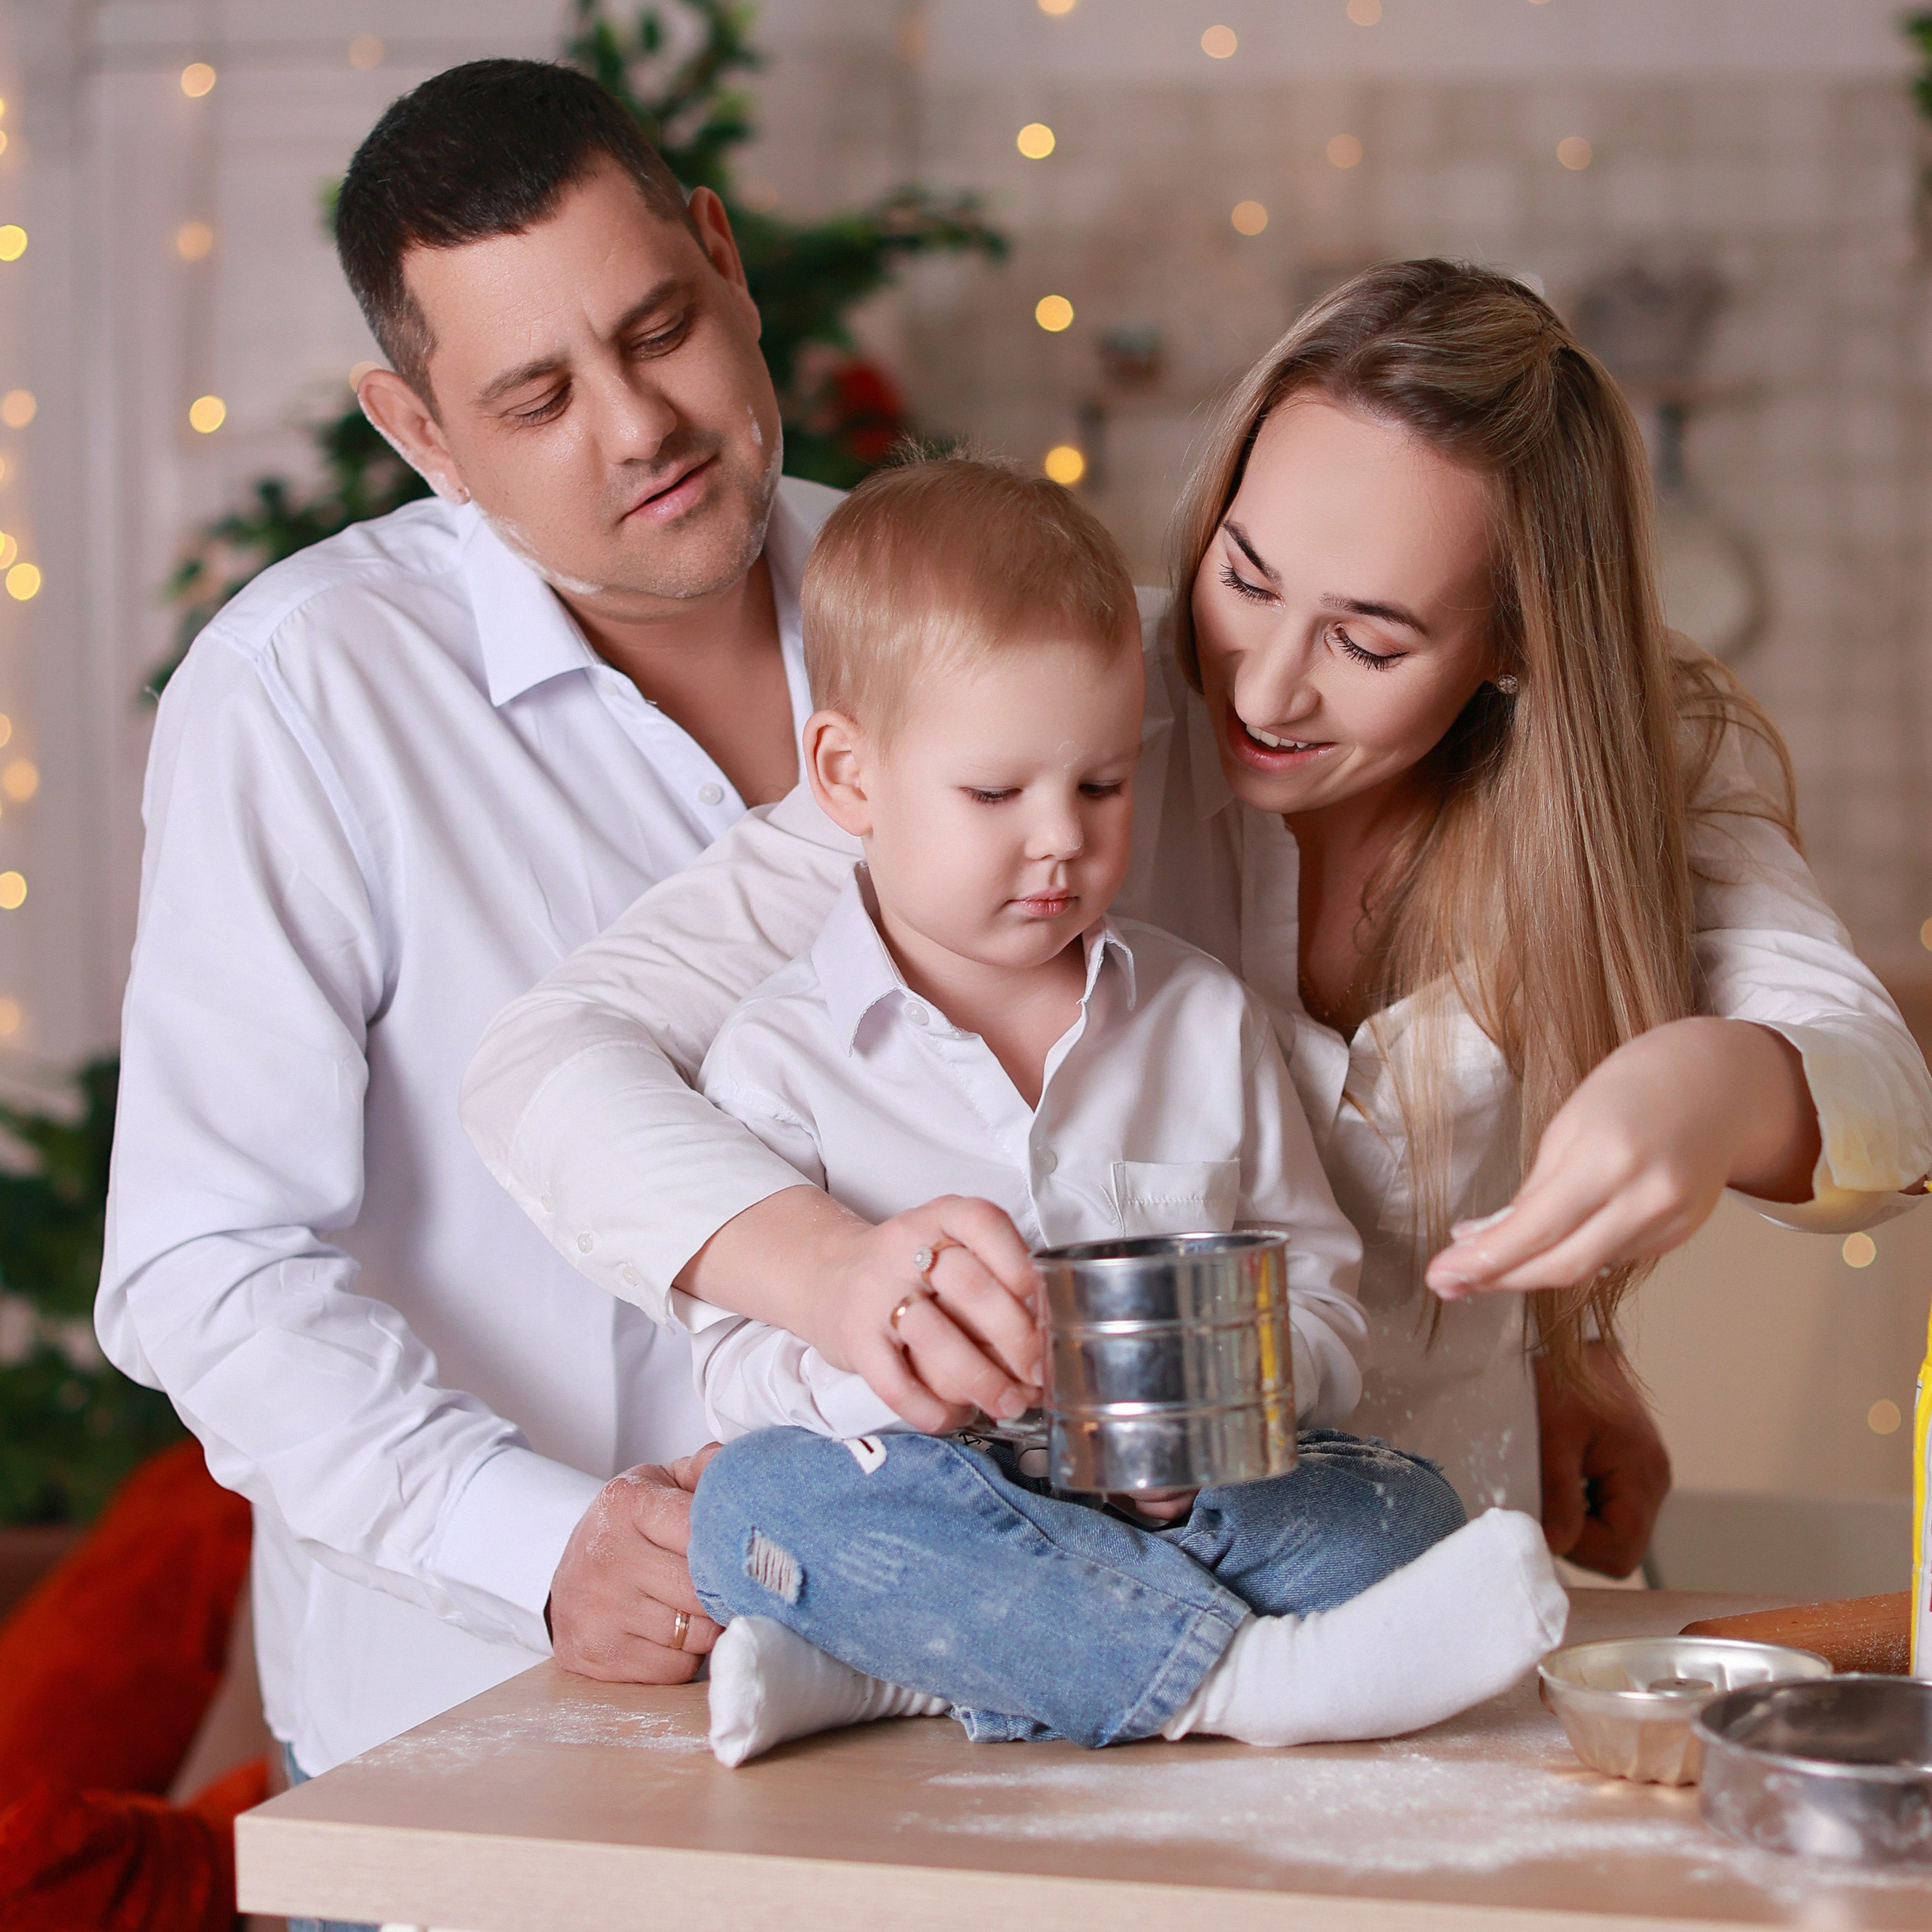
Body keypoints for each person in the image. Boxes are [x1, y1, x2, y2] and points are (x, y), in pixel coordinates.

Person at [463, 260, 1932, 1578]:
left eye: (1368, 638)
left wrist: (1705, 1091)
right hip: (1098, 1597)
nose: (1264, 683)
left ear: (1510, 644)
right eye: (1244, 573)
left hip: (1451, 1591)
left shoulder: (1644, 759)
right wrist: (828, 1269)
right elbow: (544, 1060)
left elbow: (1879, 1100)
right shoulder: (1071, 724)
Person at [95, 57, 822, 1807]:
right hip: (474, 1749)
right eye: (535, 394)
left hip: (916, 1721)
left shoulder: (936, 607)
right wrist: (541, 1538)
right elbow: (204, 1261)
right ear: (419, 429)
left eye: (656, 329)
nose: (635, 424)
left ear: (721, 259)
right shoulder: (304, 694)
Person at [666, 453, 1565, 1767]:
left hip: (1178, 1505)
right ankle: (1245, 1682)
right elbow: (736, 1365)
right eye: (996, 794)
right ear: (849, 777)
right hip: (931, 1490)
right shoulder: (779, 1056)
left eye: (1099, 787)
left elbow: (1321, 1300)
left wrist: (1218, 1412)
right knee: (751, 1507)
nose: (1060, 842)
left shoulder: (1198, 1020)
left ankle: (913, 1675)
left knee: (1404, 1512)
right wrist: (896, 1375)